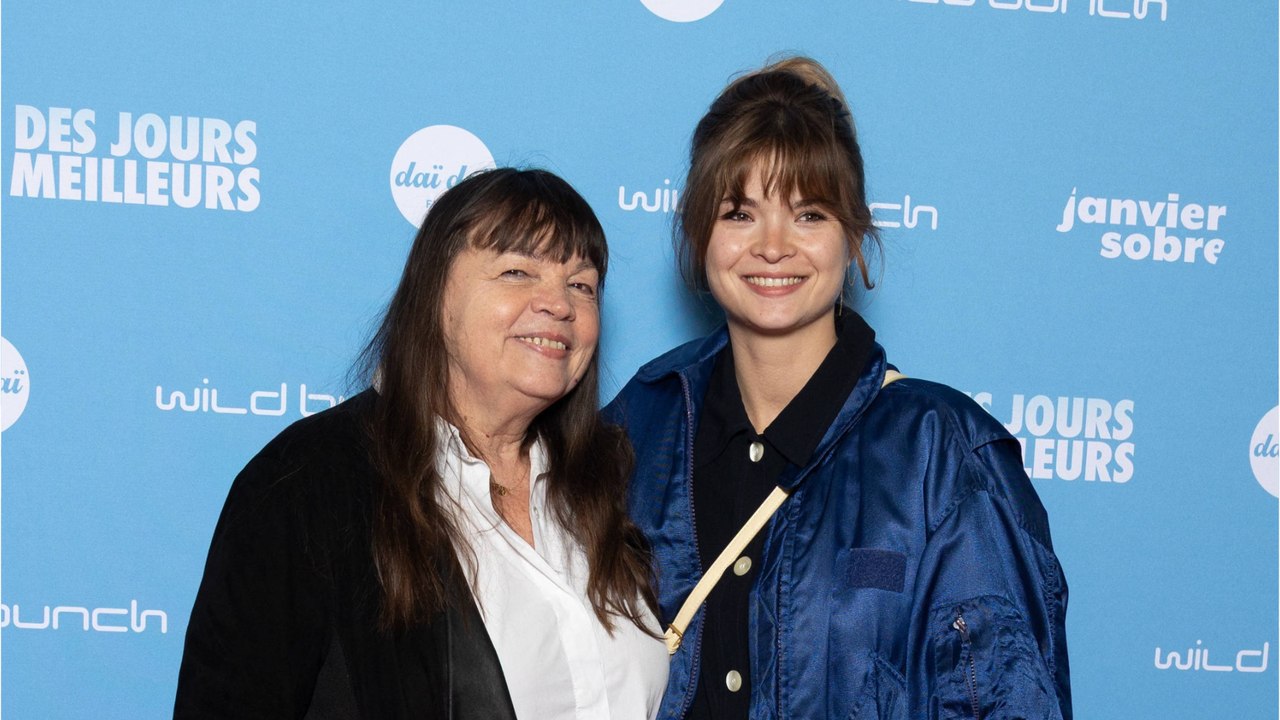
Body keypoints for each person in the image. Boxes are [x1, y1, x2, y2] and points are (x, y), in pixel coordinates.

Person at [605, 57, 1071, 719]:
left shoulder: (942, 453)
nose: (772, 246)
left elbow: (1012, 701)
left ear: (853, 236)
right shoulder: (638, 425)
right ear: (698, 231)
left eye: (809, 214)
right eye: (740, 213)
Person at [175, 168, 668, 719]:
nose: (559, 303)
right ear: (433, 295)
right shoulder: (308, 484)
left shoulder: (617, 479)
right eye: (516, 271)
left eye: (582, 284)